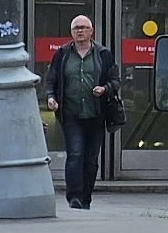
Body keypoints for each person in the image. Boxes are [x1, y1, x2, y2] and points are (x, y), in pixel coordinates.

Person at [44, 15, 123, 210]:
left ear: (91, 31)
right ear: (71, 32)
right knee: (75, 154)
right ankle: (75, 198)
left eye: (83, 27)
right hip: (71, 113)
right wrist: (51, 97)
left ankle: (86, 197)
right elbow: (51, 79)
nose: (80, 31)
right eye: (76, 28)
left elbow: (115, 81)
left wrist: (104, 89)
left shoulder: (103, 54)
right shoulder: (62, 54)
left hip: (96, 113)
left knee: (90, 160)